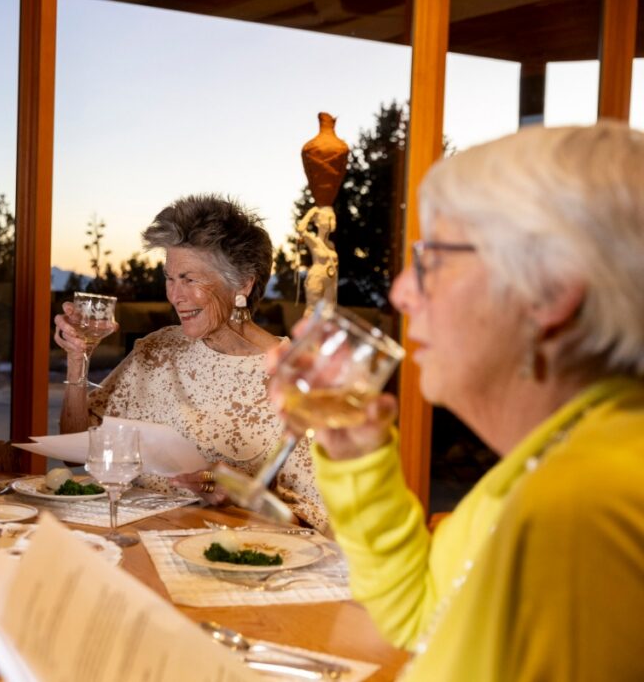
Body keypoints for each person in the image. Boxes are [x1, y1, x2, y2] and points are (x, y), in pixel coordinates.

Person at [273, 122, 644, 680]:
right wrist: (358, 462)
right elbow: (423, 618)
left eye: (431, 260)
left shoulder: (581, 511)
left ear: (551, 286)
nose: (400, 291)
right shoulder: (543, 464)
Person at [56, 194, 327, 530]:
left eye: (189, 279)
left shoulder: (299, 377)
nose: (175, 295)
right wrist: (77, 358)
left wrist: (244, 491)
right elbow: (74, 450)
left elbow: (313, 523)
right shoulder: (155, 350)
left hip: (230, 562)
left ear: (242, 283)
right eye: (170, 278)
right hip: (134, 545)